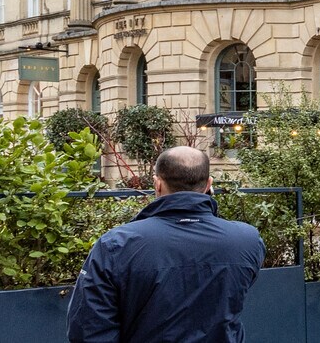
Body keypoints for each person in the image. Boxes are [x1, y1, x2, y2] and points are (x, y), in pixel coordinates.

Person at [66, 145, 265, 343]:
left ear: (157, 184)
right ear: (208, 185)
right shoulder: (246, 240)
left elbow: (88, 329)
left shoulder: (117, 245)